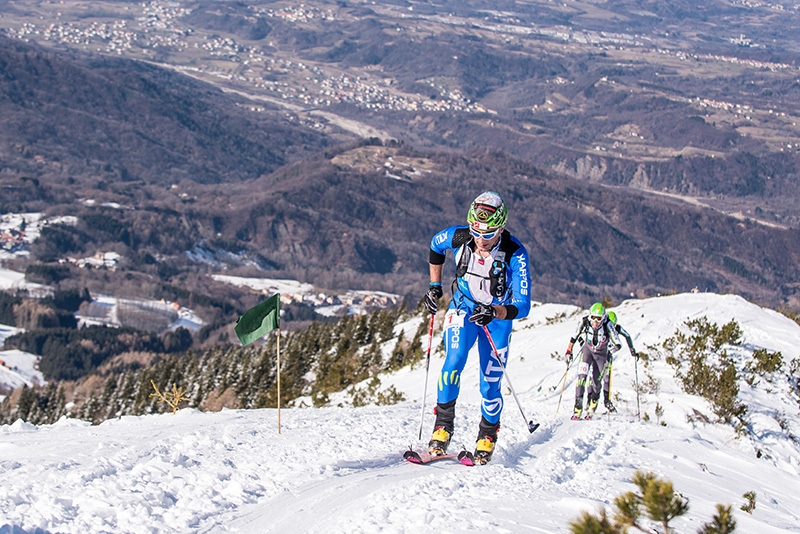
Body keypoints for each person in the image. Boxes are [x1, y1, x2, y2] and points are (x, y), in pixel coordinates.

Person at [422, 191, 531, 464]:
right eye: (476, 231)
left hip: (497, 319)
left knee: (489, 381)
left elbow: (524, 305)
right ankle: (442, 427)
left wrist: (494, 311)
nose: (481, 239)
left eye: (490, 233)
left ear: (502, 227)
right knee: (453, 362)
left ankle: (487, 433)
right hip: (464, 307)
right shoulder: (459, 237)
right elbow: (436, 246)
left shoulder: (515, 253)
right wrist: (435, 288)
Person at [563, 302, 621, 420]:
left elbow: (618, 342)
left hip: (601, 356)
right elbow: (574, 336)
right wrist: (569, 351)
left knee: (596, 383)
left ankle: (591, 409)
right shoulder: (584, 321)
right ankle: (577, 409)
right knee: (581, 379)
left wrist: (613, 349)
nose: (595, 322)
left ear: (603, 318)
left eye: (599, 319)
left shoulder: (608, 324)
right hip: (587, 352)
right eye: (593, 318)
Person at [602, 311, 639, 413]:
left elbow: (627, 336)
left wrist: (632, 351)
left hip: (607, 354)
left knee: (606, 378)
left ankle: (606, 401)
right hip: (598, 353)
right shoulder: (601, 327)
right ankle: (591, 402)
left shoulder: (617, 328)